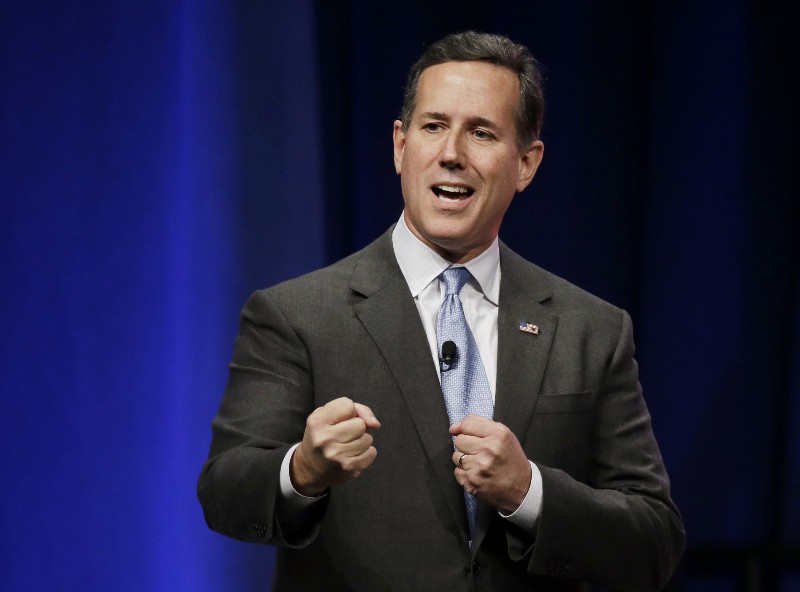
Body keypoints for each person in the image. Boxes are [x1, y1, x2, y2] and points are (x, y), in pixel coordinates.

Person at [198, 31, 685, 591]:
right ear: (400, 146)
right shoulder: (296, 315)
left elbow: (654, 540)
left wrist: (529, 492)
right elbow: (225, 493)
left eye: (481, 132)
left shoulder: (591, 330)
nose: (452, 154)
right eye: (433, 126)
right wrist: (302, 470)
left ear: (526, 163)